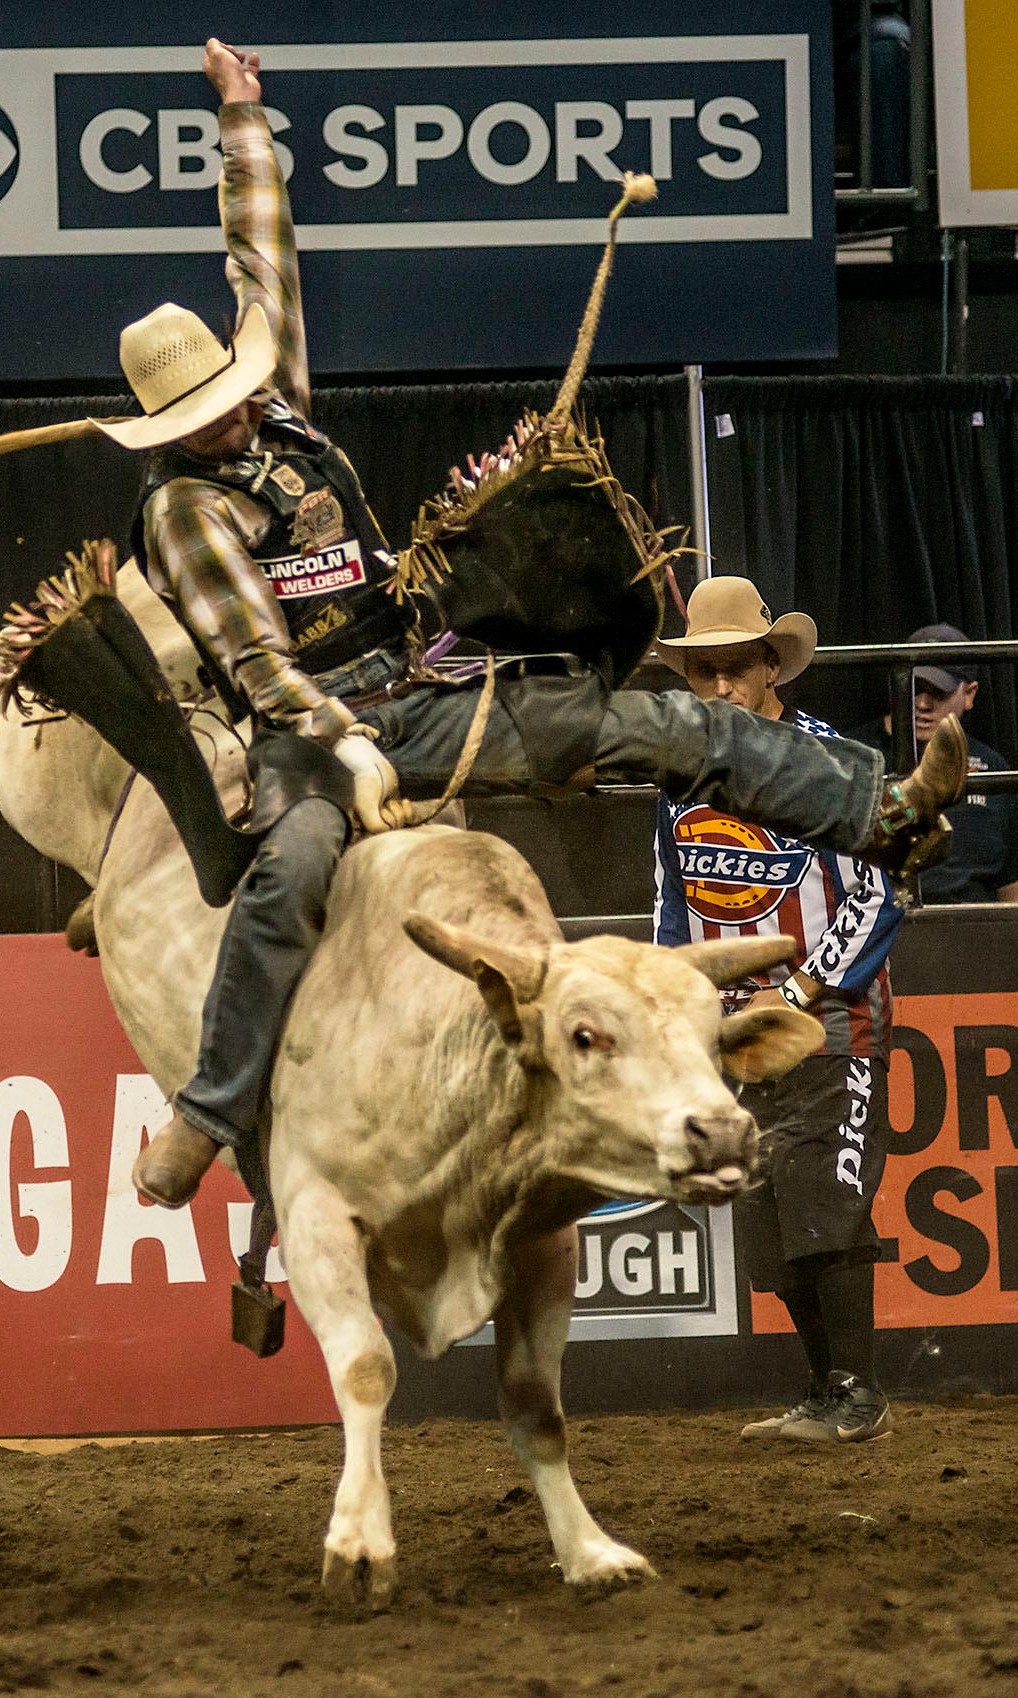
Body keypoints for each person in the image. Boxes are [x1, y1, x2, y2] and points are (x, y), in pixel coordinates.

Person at [99, 39, 966, 1212]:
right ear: (176, 427)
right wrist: (342, 744)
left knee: (658, 723)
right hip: (309, 731)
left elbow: (266, 269)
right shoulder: (187, 511)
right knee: (293, 864)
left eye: (239, 386)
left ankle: (883, 811)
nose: (240, 405)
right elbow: (257, 665)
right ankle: (210, 1109)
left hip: (418, 689)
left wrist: (242, 116)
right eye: (217, 405)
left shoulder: (278, 419)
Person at [654, 577, 903, 1444]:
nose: (720, 688)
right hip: (733, 1031)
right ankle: (826, 1389)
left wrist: (802, 989)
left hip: (831, 1019)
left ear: (771, 666)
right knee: (763, 1217)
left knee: (821, 1197)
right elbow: (673, 907)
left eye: (735, 670)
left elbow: (881, 891)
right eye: (704, 674)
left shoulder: (830, 762)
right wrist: (678, 1003)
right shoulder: (680, 781)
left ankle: (857, 1392)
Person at [853, 624, 1018, 904]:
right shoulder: (855, 755)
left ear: (969, 694)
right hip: (877, 921)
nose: (923, 704)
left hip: (972, 929)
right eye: (914, 688)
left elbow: (1010, 883)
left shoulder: (994, 769)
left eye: (938, 692)